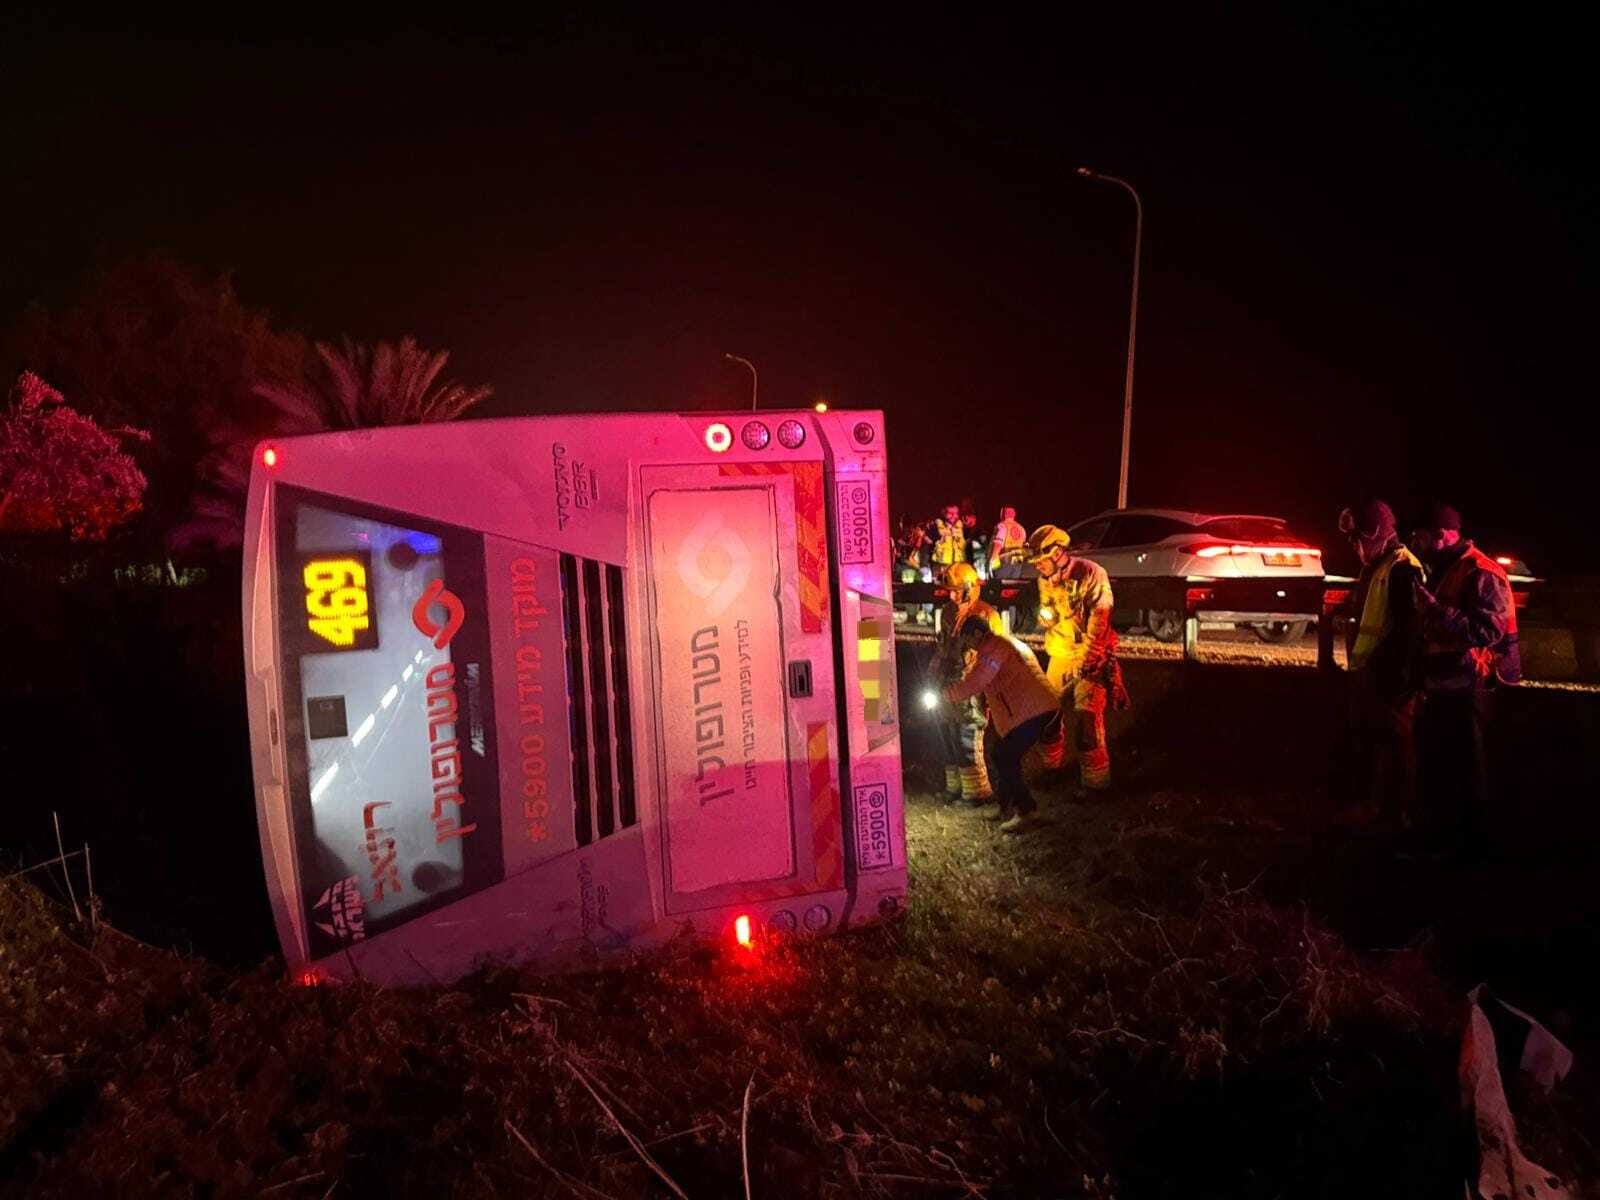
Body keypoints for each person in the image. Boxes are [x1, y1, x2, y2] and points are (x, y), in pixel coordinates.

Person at [1406, 502, 1520, 859]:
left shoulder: (1480, 572)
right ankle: (1445, 844)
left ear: (1440, 534)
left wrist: (1435, 610)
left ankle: (1474, 850)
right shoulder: (1445, 567)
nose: (1414, 541)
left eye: (1420, 534)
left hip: (1471, 688)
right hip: (1445, 685)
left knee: (1471, 774)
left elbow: (1486, 631)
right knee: (1445, 772)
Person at [1334, 500, 1424, 830]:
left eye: (1357, 539)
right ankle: (1377, 809)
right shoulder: (1379, 566)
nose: (1354, 547)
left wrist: (1397, 680)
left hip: (1392, 679)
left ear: (1376, 534)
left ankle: (1398, 815)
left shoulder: (1402, 568)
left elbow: (1409, 631)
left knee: (1397, 748)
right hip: (1374, 674)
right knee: (1378, 745)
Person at [1026, 524, 1125, 795]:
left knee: (1086, 721)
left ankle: (1096, 784)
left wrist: (1090, 659)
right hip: (1059, 654)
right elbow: (1049, 614)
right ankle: (1052, 771)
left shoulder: (1091, 574)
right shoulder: (1044, 578)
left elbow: (1100, 620)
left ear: (1058, 552)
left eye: (1040, 561)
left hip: (1089, 657)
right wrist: (1046, 617)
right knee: (1046, 716)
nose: (1037, 567)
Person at [942, 617, 1063, 833]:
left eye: (968, 639)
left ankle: (1027, 811)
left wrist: (947, 695)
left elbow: (977, 681)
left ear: (977, 634)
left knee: (1003, 756)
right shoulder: (1003, 644)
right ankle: (1005, 807)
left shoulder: (994, 649)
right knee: (1003, 755)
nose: (967, 645)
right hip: (1032, 710)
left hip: (1032, 711)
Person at [927, 505, 967, 576]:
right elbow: (930, 541)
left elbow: (966, 545)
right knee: (939, 585)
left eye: (955, 513)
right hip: (940, 564)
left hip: (957, 564)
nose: (953, 515)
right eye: (950, 513)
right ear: (944, 513)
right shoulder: (936, 525)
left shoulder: (962, 527)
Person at [989, 506, 1028, 575]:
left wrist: (991, 561)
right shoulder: (1021, 528)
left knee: (1000, 584)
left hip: (1004, 562)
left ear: (1003, 514)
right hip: (1018, 562)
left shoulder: (1002, 526)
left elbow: (998, 545)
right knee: (1013, 584)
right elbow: (1024, 546)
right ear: (1014, 514)